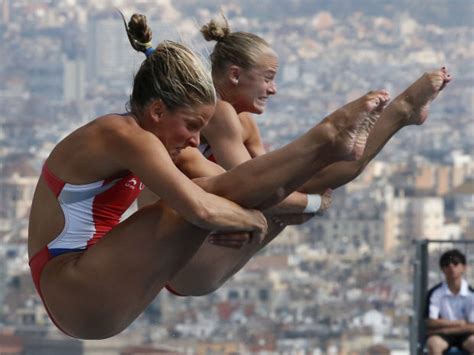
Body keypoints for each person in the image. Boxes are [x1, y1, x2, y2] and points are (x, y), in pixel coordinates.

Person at [28, 13, 389, 339]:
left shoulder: (152, 141)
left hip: (102, 291)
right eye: (190, 126)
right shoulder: (124, 136)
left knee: (210, 194)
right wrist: (257, 220)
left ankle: (335, 144)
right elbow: (199, 208)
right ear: (156, 110)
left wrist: (272, 209)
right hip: (72, 289)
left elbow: (225, 183)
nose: (195, 140)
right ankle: (327, 136)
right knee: (186, 206)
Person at [153, 16, 452, 297]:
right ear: (234, 75)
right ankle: (390, 116)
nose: (273, 89)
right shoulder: (219, 112)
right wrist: (314, 204)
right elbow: (255, 190)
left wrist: (304, 200)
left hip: (207, 250)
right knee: (311, 179)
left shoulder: (244, 124)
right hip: (182, 260)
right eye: (267, 78)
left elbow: (281, 182)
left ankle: (394, 116)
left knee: (311, 177)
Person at [425, 249, 474, 355]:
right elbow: (431, 322)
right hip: (441, 336)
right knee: (433, 344)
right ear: (442, 269)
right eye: (447, 264)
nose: (451, 267)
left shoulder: (471, 294)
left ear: (463, 267)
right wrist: (459, 323)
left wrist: (444, 329)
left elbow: (472, 326)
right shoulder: (435, 293)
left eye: (455, 263)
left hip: (465, 334)